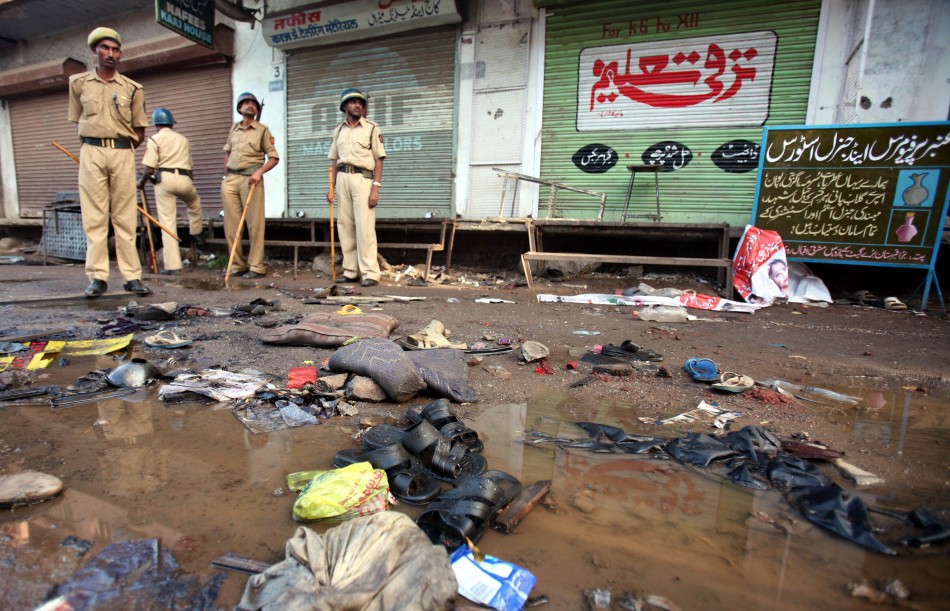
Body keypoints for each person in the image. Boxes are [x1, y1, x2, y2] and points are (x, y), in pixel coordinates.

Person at [68, 27, 151, 298]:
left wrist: (123, 149)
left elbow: (140, 130)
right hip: (91, 151)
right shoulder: (79, 84)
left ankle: (131, 277)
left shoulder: (133, 88)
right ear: (95, 50)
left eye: (115, 49)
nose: (111, 54)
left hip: (122, 152)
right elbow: (78, 119)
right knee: (94, 217)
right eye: (105, 48)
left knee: (126, 217)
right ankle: (98, 277)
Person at [326, 88, 386, 287]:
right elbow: (334, 160)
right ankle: (351, 271)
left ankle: (370, 273)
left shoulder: (371, 128)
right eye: (352, 102)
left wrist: (375, 187)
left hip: (363, 179)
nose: (357, 105)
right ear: (344, 106)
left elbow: (379, 160)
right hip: (342, 178)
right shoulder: (338, 130)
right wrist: (331, 187)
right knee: (345, 227)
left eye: (360, 102)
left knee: (365, 228)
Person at [138, 108, 205, 275]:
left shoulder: (155, 139)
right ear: (171, 123)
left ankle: (173, 266)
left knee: (167, 222)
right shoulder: (183, 139)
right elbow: (191, 167)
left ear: (156, 124)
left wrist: (141, 182)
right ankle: (196, 232)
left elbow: (149, 168)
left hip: (165, 180)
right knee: (194, 204)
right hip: (185, 179)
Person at [221, 92, 279, 279]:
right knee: (231, 226)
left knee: (255, 225)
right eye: (246, 103)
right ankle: (237, 265)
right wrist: (226, 174)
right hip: (231, 179)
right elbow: (227, 152)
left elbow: (274, 158)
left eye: (253, 103)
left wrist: (259, 172)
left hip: (251, 179)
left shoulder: (263, 130)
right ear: (239, 108)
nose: (250, 105)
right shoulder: (234, 129)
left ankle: (256, 266)